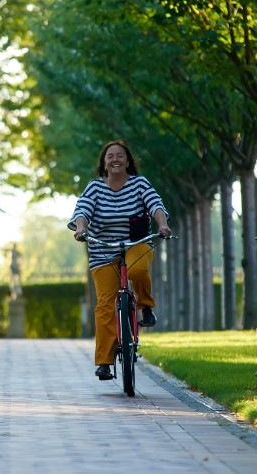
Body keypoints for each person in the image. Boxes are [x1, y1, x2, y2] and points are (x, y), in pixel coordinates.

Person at [69, 139, 172, 380]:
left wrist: (163, 224)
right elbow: (82, 211)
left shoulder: (139, 184)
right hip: (103, 250)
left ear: (128, 162)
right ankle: (104, 362)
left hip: (135, 244)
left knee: (137, 272)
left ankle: (145, 308)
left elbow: (155, 204)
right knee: (105, 304)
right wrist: (81, 228)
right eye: (110, 156)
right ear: (103, 164)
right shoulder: (95, 188)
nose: (115, 159)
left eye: (120, 156)